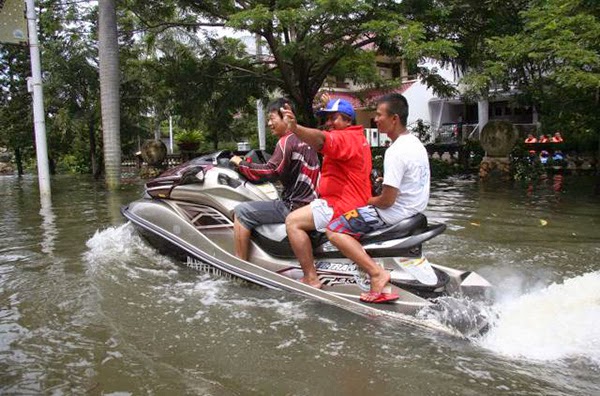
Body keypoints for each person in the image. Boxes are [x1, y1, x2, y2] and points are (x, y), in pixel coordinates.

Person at [325, 93, 430, 303]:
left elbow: (387, 201)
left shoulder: (396, 151)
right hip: (414, 209)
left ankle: (375, 273)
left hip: (392, 213)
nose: (375, 119)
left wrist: (366, 200)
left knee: (334, 230)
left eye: (380, 115)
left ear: (394, 118)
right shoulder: (415, 144)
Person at [281, 98, 372, 289]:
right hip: (353, 202)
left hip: (340, 204)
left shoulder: (344, 138)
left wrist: (296, 128)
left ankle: (310, 278)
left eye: (333, 118)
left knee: (293, 221)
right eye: (327, 119)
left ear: (348, 120)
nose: (329, 123)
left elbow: (321, 140)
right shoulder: (357, 138)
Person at [229, 98, 320, 261]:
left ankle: (240, 266)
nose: (269, 124)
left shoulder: (286, 141)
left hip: (294, 206)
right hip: (312, 205)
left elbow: (271, 171)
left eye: (272, 119)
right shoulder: (307, 139)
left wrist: (240, 163)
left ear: (286, 116)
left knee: (241, 212)